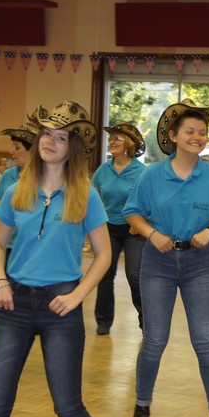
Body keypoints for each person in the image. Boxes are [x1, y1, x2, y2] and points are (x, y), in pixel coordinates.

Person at [0, 100, 113, 417]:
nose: (49, 142)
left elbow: (104, 254)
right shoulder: (16, 190)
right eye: (46, 134)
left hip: (61, 307)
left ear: (72, 148)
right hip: (13, 305)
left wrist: (77, 295)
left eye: (60, 137)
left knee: (69, 408)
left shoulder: (85, 194)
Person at [123, 99, 209, 417]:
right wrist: (151, 234)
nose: (197, 137)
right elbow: (132, 213)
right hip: (157, 263)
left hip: (199, 264)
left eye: (202, 132)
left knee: (206, 342)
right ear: (172, 136)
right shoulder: (151, 175)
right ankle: (142, 409)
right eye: (190, 131)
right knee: (154, 340)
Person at [91, 123, 147, 334]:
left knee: (134, 275)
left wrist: (139, 221)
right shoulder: (103, 170)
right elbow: (93, 198)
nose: (112, 142)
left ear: (128, 144)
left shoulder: (141, 171)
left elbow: (150, 200)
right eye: (111, 138)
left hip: (134, 230)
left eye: (117, 138)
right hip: (108, 229)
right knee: (105, 274)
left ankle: (146, 320)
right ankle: (103, 321)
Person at [0, 114, 40, 255]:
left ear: (33, 151)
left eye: (17, 147)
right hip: (6, 244)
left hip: (33, 248)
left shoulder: (44, 179)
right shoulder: (8, 175)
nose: (11, 152)